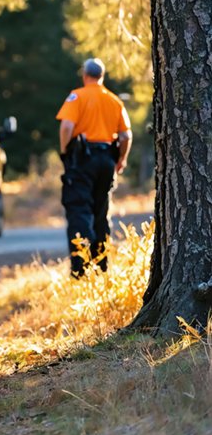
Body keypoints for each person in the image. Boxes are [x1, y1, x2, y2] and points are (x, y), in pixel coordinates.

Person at [55, 58, 132, 279]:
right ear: (103, 76)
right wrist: (122, 159)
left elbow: (67, 126)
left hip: (82, 159)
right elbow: (126, 135)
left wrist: (65, 153)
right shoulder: (114, 101)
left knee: (79, 209)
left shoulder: (77, 96)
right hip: (107, 159)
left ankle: (81, 270)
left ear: (84, 75)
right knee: (101, 213)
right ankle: (101, 268)